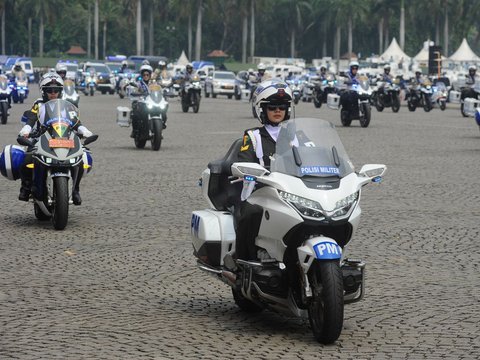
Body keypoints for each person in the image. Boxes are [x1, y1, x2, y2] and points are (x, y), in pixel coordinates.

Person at [234, 79, 293, 260]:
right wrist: (250, 171)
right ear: (262, 110)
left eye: (282, 107)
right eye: (272, 106)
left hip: (291, 192)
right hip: (260, 193)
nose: (277, 111)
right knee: (253, 213)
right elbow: (243, 162)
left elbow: (314, 154)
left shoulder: (296, 135)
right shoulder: (252, 136)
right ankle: (244, 261)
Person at [18, 72, 93, 204]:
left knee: (80, 159)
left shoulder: (67, 104)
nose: (53, 93)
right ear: (44, 91)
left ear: (60, 91)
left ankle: (75, 190)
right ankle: (26, 187)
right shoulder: (39, 103)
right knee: (26, 159)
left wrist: (83, 130)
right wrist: (27, 128)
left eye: (56, 90)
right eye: (49, 90)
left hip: (64, 136)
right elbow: (32, 117)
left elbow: (75, 121)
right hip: (41, 136)